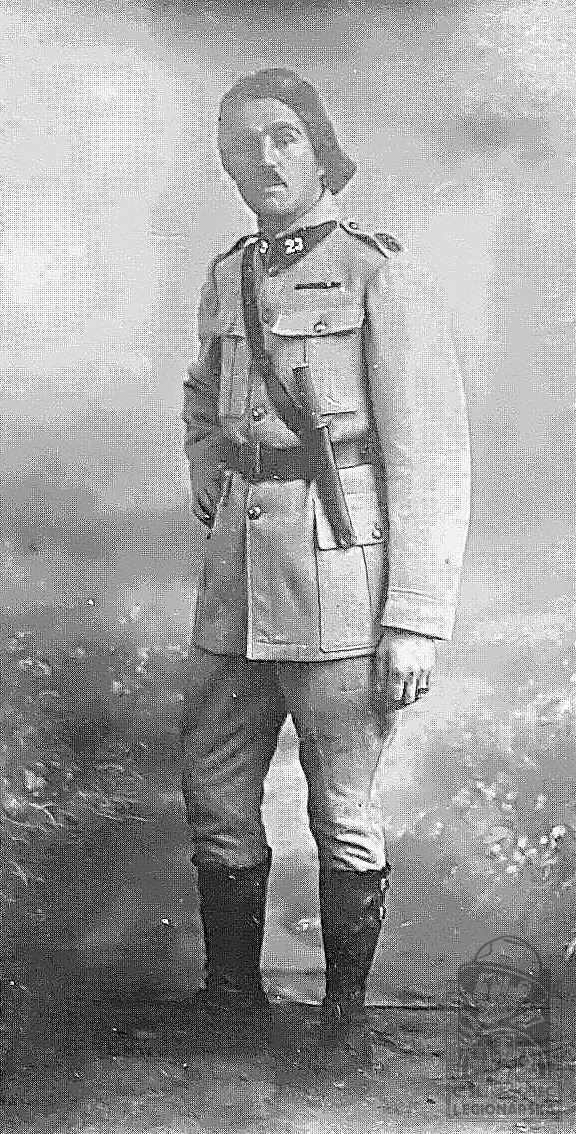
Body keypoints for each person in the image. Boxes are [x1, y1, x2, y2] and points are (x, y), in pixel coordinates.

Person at [180, 67, 470, 1066]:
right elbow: (201, 396)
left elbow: (432, 454)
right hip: (234, 587)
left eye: (284, 136)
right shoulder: (226, 276)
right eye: (244, 142)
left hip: (338, 581)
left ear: (319, 148)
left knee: (341, 804)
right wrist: (206, 464)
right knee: (216, 790)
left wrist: (415, 618)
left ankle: (343, 1022)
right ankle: (232, 1001)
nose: (264, 158)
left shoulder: (376, 273)